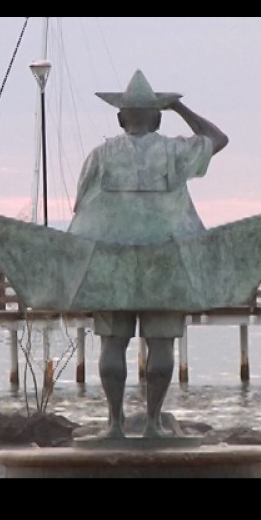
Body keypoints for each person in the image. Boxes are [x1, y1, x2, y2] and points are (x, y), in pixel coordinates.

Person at [68, 69, 229, 439]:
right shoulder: (174, 151)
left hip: (112, 261)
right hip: (166, 260)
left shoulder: (101, 155)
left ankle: (114, 425)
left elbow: (81, 209)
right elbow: (218, 138)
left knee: (112, 343)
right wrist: (180, 108)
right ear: (157, 118)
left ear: (121, 118)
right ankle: (154, 423)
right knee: (161, 343)